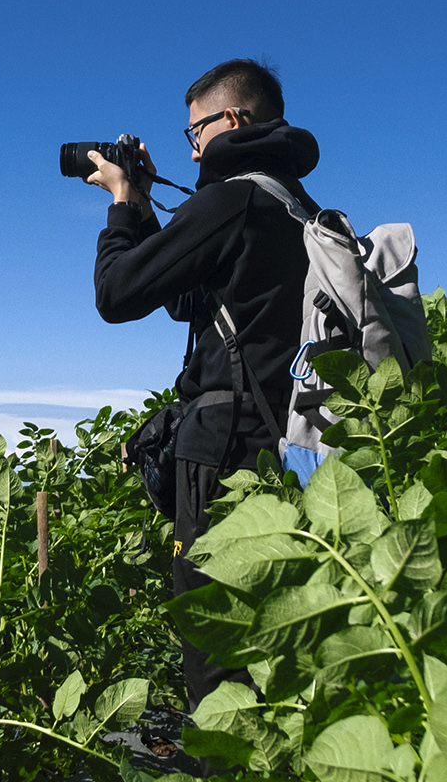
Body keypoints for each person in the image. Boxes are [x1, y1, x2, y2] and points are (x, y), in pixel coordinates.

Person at [87, 57, 316, 713]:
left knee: (217, 648)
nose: (192, 152)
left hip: (224, 453)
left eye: (196, 133)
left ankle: (230, 772)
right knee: (274, 635)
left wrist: (122, 205)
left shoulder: (232, 198)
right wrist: (146, 207)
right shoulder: (294, 205)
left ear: (233, 120)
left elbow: (117, 293)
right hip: (289, 441)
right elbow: (189, 297)